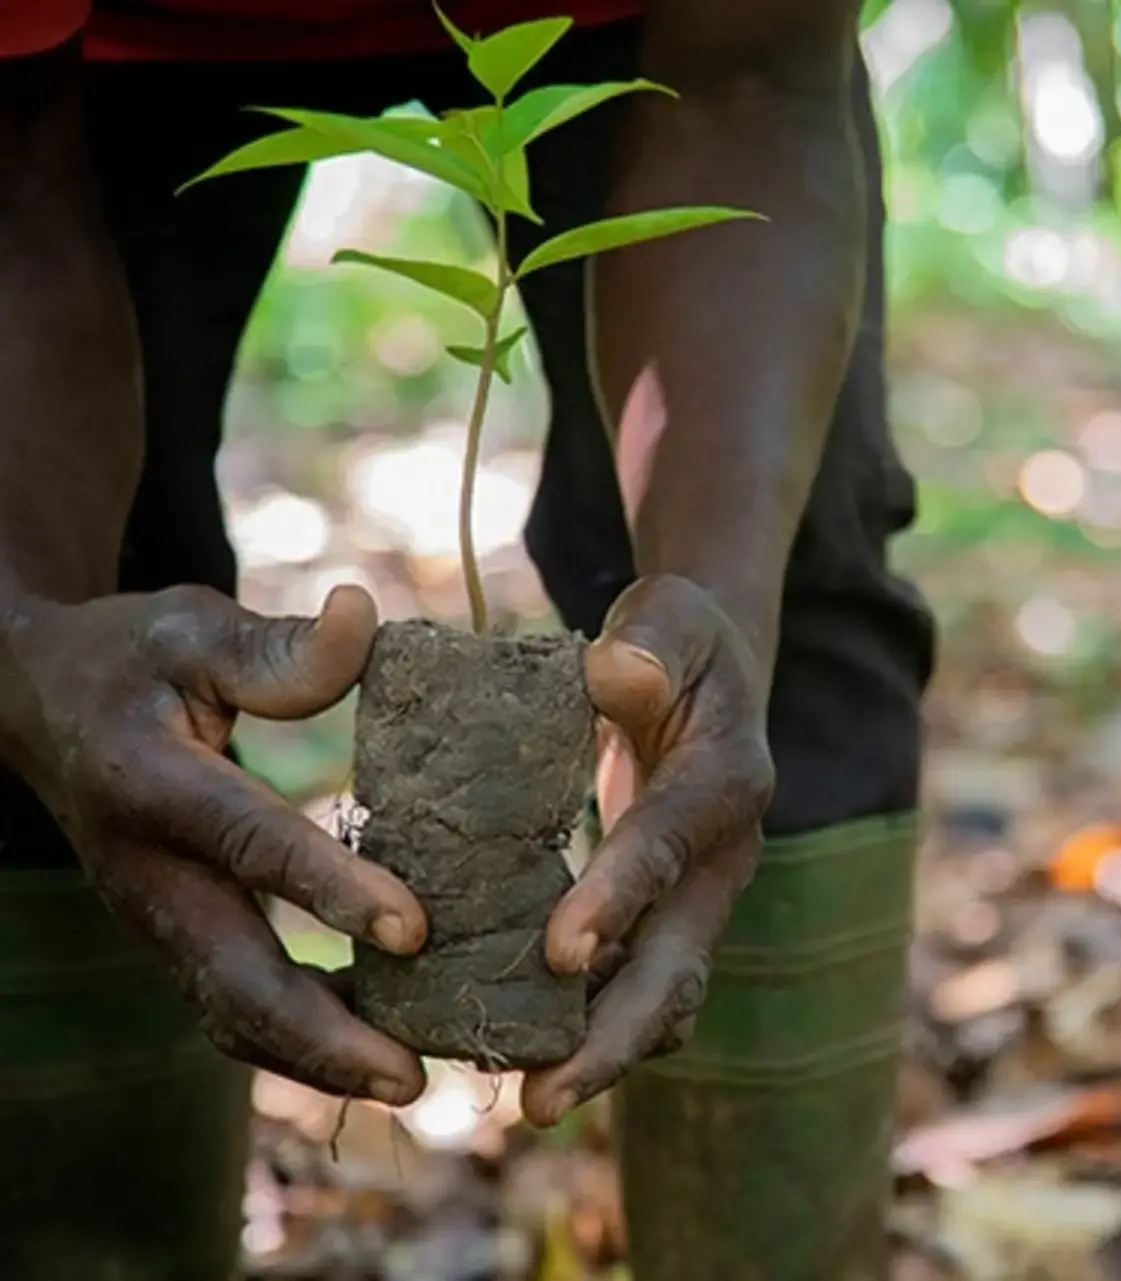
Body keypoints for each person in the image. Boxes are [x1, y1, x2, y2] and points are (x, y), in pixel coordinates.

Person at [0, 1, 934, 1277]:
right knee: (65, 673)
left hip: (645, 42)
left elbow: (754, 88)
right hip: (86, 64)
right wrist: (23, 642)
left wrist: (727, 623)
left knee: (791, 592)